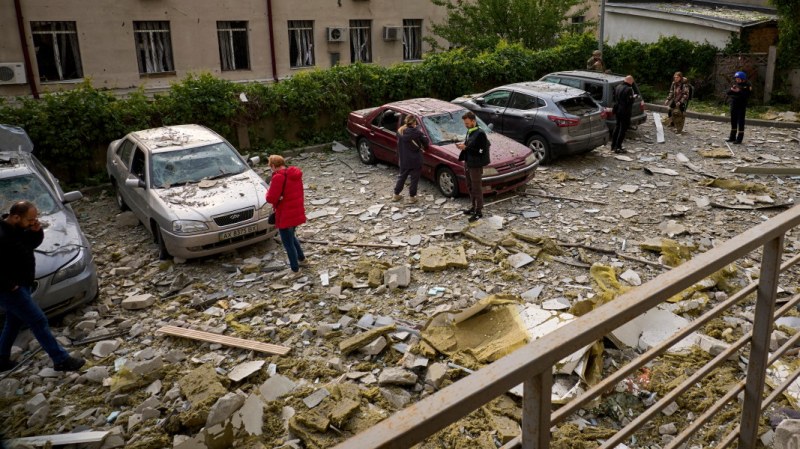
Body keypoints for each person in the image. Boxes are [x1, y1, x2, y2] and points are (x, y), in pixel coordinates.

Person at [0, 201, 85, 373]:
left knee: (13, 322)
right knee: (38, 320)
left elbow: (29, 245)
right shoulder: (2, 235)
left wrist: (36, 232)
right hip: (10, 290)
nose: (33, 222)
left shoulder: (18, 229)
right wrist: (11, 286)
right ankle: (60, 360)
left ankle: (1, 359)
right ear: (16, 217)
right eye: (30, 220)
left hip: (23, 283)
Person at [266, 155, 308, 278]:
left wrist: (269, 192)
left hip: (285, 214)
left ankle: (295, 270)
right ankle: (302, 259)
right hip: (296, 212)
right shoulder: (295, 174)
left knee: (287, 243)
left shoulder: (278, 177)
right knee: (292, 237)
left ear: (273, 166)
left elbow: (270, 198)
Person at [456, 111, 490, 222]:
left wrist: (465, 148)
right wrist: (464, 146)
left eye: (467, 123)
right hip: (468, 162)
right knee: (470, 186)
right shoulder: (470, 131)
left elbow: (481, 151)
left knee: (477, 188)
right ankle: (473, 207)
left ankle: (479, 211)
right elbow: (471, 145)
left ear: (473, 121)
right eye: (464, 123)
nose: (465, 125)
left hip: (475, 164)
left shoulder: (480, 133)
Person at [392, 115, 428, 204]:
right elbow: (426, 143)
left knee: (402, 177)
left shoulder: (400, 132)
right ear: (414, 122)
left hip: (404, 159)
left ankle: (396, 194)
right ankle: (412, 197)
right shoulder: (418, 132)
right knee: (414, 179)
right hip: (415, 160)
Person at [611, 75, 636, 153]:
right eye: (632, 82)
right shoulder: (629, 89)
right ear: (630, 81)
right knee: (623, 128)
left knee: (617, 126)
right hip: (624, 111)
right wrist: (633, 97)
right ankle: (618, 146)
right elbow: (629, 102)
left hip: (617, 109)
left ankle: (613, 145)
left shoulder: (618, 86)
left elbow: (614, 97)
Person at [726, 71, 752, 144]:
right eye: (736, 79)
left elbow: (746, 95)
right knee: (733, 121)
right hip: (734, 105)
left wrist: (739, 91)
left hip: (741, 106)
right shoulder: (735, 84)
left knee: (740, 122)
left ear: (743, 79)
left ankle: (739, 139)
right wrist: (732, 90)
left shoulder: (747, 85)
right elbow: (728, 93)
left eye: (738, 79)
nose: (737, 80)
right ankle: (732, 137)